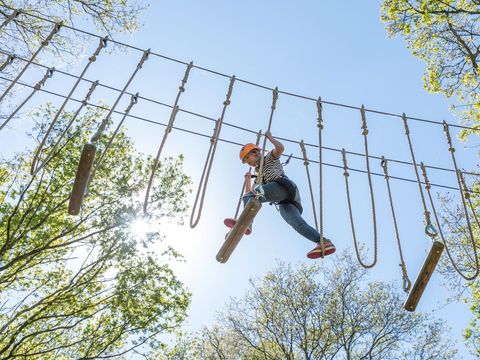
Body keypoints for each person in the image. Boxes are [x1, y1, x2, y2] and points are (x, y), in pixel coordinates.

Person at [239, 130, 335, 259]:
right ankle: (324, 242)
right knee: (297, 223)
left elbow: (280, 148)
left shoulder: (269, 158)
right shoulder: (259, 177)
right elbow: (248, 197)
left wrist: (270, 138)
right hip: (285, 201)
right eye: (245, 161)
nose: (248, 162)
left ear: (255, 152)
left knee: (254, 193)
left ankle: (247, 224)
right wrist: (247, 180)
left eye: (247, 158)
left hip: (283, 186)